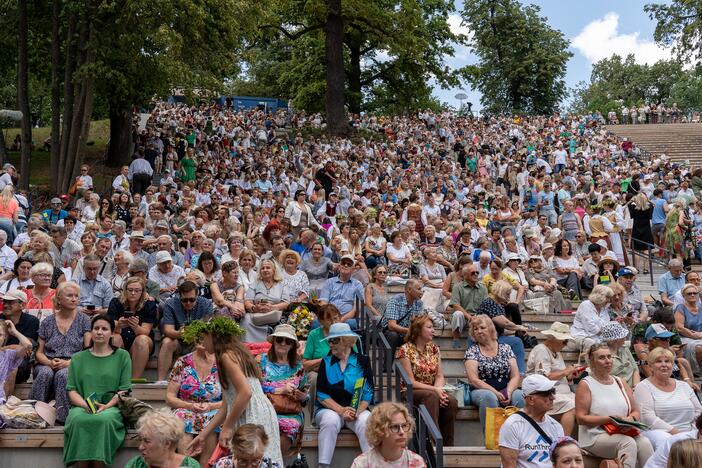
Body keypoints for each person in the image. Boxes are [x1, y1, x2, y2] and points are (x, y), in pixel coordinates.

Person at [185, 316, 283, 466]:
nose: (202, 342)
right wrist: (203, 435)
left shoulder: (227, 356)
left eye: (204, 337)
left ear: (215, 336)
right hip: (251, 410)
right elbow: (227, 405)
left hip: (253, 413)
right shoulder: (229, 354)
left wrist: (228, 426)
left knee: (255, 460)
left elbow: (246, 392)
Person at [63, 315, 132, 467]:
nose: (100, 332)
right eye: (96, 328)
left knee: (103, 420)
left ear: (112, 333)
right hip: (82, 407)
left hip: (112, 408)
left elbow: (124, 390)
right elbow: (72, 391)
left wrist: (106, 406)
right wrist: (85, 405)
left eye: (104, 329)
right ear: (91, 332)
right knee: (79, 420)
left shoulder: (122, 356)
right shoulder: (78, 358)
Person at [574, 342, 653, 468]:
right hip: (595, 435)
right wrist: (610, 419)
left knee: (645, 443)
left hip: (622, 431)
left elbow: (635, 412)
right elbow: (581, 418)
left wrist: (629, 420)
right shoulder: (586, 384)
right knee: (627, 443)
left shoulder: (620, 381)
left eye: (609, 357)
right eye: (601, 358)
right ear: (591, 361)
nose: (607, 361)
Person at [29, 281, 91, 424]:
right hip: (48, 362)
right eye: (70, 295)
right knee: (45, 373)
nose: (74, 299)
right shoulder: (47, 322)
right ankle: (34, 413)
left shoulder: (84, 320)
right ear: (59, 299)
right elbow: (39, 352)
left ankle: (63, 418)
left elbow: (87, 351)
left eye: (76, 296)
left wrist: (69, 362)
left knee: (64, 374)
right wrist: (50, 362)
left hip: (75, 362)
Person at [313, 322, 373, 468]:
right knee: (330, 420)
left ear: (346, 341)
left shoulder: (362, 361)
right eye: (329, 340)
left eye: (334, 340)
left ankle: (372, 464)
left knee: (366, 420)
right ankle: (323, 465)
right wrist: (341, 411)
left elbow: (368, 392)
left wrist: (355, 411)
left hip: (356, 409)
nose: (330, 344)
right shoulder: (326, 362)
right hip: (329, 408)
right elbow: (321, 394)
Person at [396, 314, 457, 446]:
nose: (433, 330)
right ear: (418, 330)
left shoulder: (434, 349)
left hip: (432, 390)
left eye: (433, 327)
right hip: (411, 391)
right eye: (429, 327)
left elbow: (440, 376)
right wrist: (435, 390)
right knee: (431, 397)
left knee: (451, 401)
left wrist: (439, 390)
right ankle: (433, 444)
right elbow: (410, 382)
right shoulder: (405, 350)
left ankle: (448, 446)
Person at [166, 330, 223, 467]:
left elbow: (229, 400)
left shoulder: (222, 363)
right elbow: (170, 397)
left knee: (213, 418)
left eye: (205, 337)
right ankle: (186, 463)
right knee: (181, 416)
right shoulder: (183, 362)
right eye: (198, 336)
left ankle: (205, 464)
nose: (200, 340)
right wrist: (189, 406)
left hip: (214, 409)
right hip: (186, 408)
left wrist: (210, 406)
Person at [633, 347, 702, 451]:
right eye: (658, 361)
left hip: (690, 430)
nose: (664, 365)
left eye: (667, 361)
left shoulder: (683, 386)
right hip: (658, 432)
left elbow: (699, 411)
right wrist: (677, 433)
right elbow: (648, 417)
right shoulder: (643, 387)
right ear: (651, 366)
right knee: (667, 440)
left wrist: (694, 430)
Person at [465, 314, 525, 430]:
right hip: (481, 390)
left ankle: (520, 436)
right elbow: (473, 379)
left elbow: (515, 375)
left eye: (482, 328)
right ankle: (492, 441)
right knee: (489, 397)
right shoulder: (472, 351)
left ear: (491, 329)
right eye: (475, 329)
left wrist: (509, 391)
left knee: (519, 396)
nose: (479, 331)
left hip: (505, 388)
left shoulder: (505, 348)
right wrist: (495, 392)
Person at [259, 324, 308, 457]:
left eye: (287, 341)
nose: (283, 343)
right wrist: (280, 389)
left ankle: (273, 463)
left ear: (292, 345)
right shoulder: (261, 361)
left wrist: (303, 397)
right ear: (273, 341)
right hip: (264, 409)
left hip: (290, 412)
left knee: (291, 426)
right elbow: (253, 388)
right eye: (279, 339)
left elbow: (305, 396)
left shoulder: (298, 367)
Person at [498, 374, 566, 468]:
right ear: (531, 400)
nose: (553, 397)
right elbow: (509, 466)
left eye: (553, 392)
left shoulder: (556, 426)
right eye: (547, 393)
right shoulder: (513, 425)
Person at [526, 322, 579, 436]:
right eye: (564, 340)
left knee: (586, 403)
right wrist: (566, 371)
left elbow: (562, 375)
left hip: (564, 393)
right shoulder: (541, 349)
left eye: (566, 340)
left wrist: (570, 375)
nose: (565, 344)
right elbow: (543, 377)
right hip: (547, 394)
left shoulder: (557, 352)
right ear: (553, 338)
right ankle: (564, 442)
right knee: (572, 406)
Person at [157, 280, 215, 382]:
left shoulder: (206, 304)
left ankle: (197, 382)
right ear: (180, 296)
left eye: (192, 300)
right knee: (167, 342)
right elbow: (168, 330)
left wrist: (190, 333)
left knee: (203, 344)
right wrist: (181, 333)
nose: (188, 303)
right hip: (177, 340)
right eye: (185, 300)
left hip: (196, 341)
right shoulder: (171, 304)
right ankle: (160, 381)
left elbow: (207, 332)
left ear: (197, 295)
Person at [475, 280, 530, 374]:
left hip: (494, 336)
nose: (509, 297)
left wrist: (516, 330)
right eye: (507, 294)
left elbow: (500, 329)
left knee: (515, 340)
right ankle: (521, 372)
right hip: (483, 338)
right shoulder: (489, 302)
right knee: (517, 342)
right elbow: (504, 323)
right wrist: (519, 327)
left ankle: (517, 372)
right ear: (501, 292)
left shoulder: (499, 305)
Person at [106, 277, 156, 379]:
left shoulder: (149, 304)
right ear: (125, 290)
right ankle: (114, 379)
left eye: (137, 290)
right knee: (114, 338)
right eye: (130, 290)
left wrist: (136, 327)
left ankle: (133, 382)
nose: (133, 293)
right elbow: (111, 328)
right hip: (121, 338)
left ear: (142, 292)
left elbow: (146, 331)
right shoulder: (116, 302)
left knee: (142, 340)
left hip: (141, 341)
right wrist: (119, 325)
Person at [350, 402, 426, 468]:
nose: (402, 432)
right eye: (395, 427)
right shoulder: (362, 463)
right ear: (380, 430)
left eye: (404, 426)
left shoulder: (417, 462)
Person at [125, 409, 201, 468]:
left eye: (147, 441)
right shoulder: (136, 464)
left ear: (167, 443)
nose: (140, 447)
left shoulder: (190, 465)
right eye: (141, 440)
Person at [0, 289, 38, 393]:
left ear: (23, 305)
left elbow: (25, 347)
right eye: (4, 302)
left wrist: (4, 348)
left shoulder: (31, 321)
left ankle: (5, 402)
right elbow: (18, 347)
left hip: (20, 363)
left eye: (11, 302)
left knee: (13, 364)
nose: (6, 305)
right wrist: (11, 347)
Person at [243, 258, 289, 343]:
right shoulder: (255, 284)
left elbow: (286, 303)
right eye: (262, 268)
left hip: (274, 313)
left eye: (268, 268)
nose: (265, 270)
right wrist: (254, 308)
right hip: (257, 313)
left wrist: (272, 307)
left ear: (274, 270)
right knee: (245, 319)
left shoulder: (282, 284)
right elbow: (247, 302)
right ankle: (249, 346)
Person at [318, 254, 364, 330]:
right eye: (343, 263)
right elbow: (323, 303)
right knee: (316, 323)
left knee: (351, 323)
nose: (345, 265)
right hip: (329, 316)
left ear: (353, 269)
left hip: (347, 318)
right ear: (339, 267)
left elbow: (356, 309)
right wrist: (331, 318)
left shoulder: (358, 285)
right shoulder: (329, 282)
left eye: (349, 264)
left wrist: (341, 320)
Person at [448, 263, 489, 348]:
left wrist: (477, 317)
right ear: (465, 275)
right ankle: (456, 339)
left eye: (477, 272)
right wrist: (468, 316)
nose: (476, 274)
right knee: (457, 314)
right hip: (463, 316)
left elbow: (486, 304)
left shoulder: (483, 287)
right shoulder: (457, 287)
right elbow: (455, 305)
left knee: (486, 316)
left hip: (478, 315)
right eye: (472, 273)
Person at [382, 279, 425, 359]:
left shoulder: (419, 303)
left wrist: (415, 325)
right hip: (386, 335)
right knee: (393, 335)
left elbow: (419, 324)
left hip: (406, 335)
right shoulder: (395, 300)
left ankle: (419, 368)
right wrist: (410, 330)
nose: (421, 292)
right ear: (409, 290)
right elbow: (391, 326)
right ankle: (387, 367)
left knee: (422, 335)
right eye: (418, 289)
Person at [213, 423, 282, 468]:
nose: (249, 466)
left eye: (255, 461)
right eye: (243, 461)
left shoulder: (271, 466)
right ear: (234, 453)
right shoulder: (223, 465)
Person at [570, 285, 614, 352]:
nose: (609, 300)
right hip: (581, 336)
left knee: (616, 341)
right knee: (592, 344)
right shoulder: (585, 305)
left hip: (599, 337)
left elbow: (607, 326)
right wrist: (603, 331)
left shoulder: (604, 309)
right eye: (607, 297)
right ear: (599, 296)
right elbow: (590, 327)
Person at [0, 316, 33, 403]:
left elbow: (28, 346)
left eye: (0, 335)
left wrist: (14, 332)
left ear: (4, 338)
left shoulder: (7, 355)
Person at [674, 283, 702, 375]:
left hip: (700, 335)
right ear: (683, 296)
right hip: (685, 337)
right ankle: (697, 372)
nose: (693, 295)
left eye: (695, 293)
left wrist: (700, 335)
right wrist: (694, 335)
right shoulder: (680, 308)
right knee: (698, 348)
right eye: (689, 293)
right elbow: (679, 328)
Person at [601, 321, 640, 388]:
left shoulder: (624, 348)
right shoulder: (604, 355)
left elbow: (635, 369)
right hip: (618, 390)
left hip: (634, 387)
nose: (625, 337)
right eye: (623, 336)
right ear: (616, 340)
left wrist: (635, 387)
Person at [629, 193, 654, 274]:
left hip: (636, 229)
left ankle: (636, 268)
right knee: (646, 249)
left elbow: (628, 207)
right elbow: (653, 205)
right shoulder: (649, 207)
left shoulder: (633, 207)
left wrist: (632, 200)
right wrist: (648, 200)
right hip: (646, 229)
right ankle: (646, 268)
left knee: (636, 250)